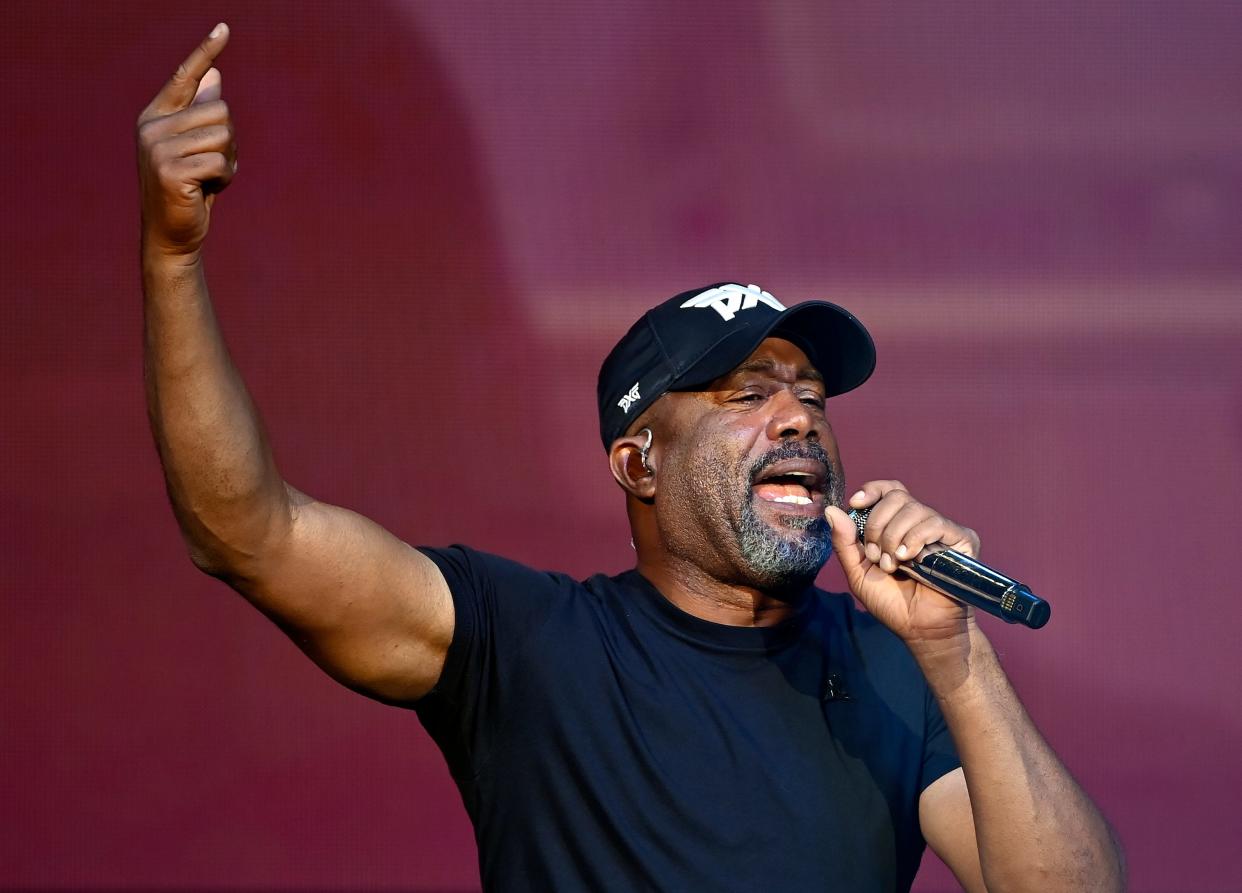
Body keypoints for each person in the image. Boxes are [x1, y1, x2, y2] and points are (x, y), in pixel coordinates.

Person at [137, 25, 1125, 893]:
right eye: (747, 394)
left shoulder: (889, 667)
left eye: (813, 397)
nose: (799, 420)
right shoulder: (530, 645)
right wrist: (173, 257)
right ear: (636, 461)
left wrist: (956, 653)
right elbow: (248, 533)